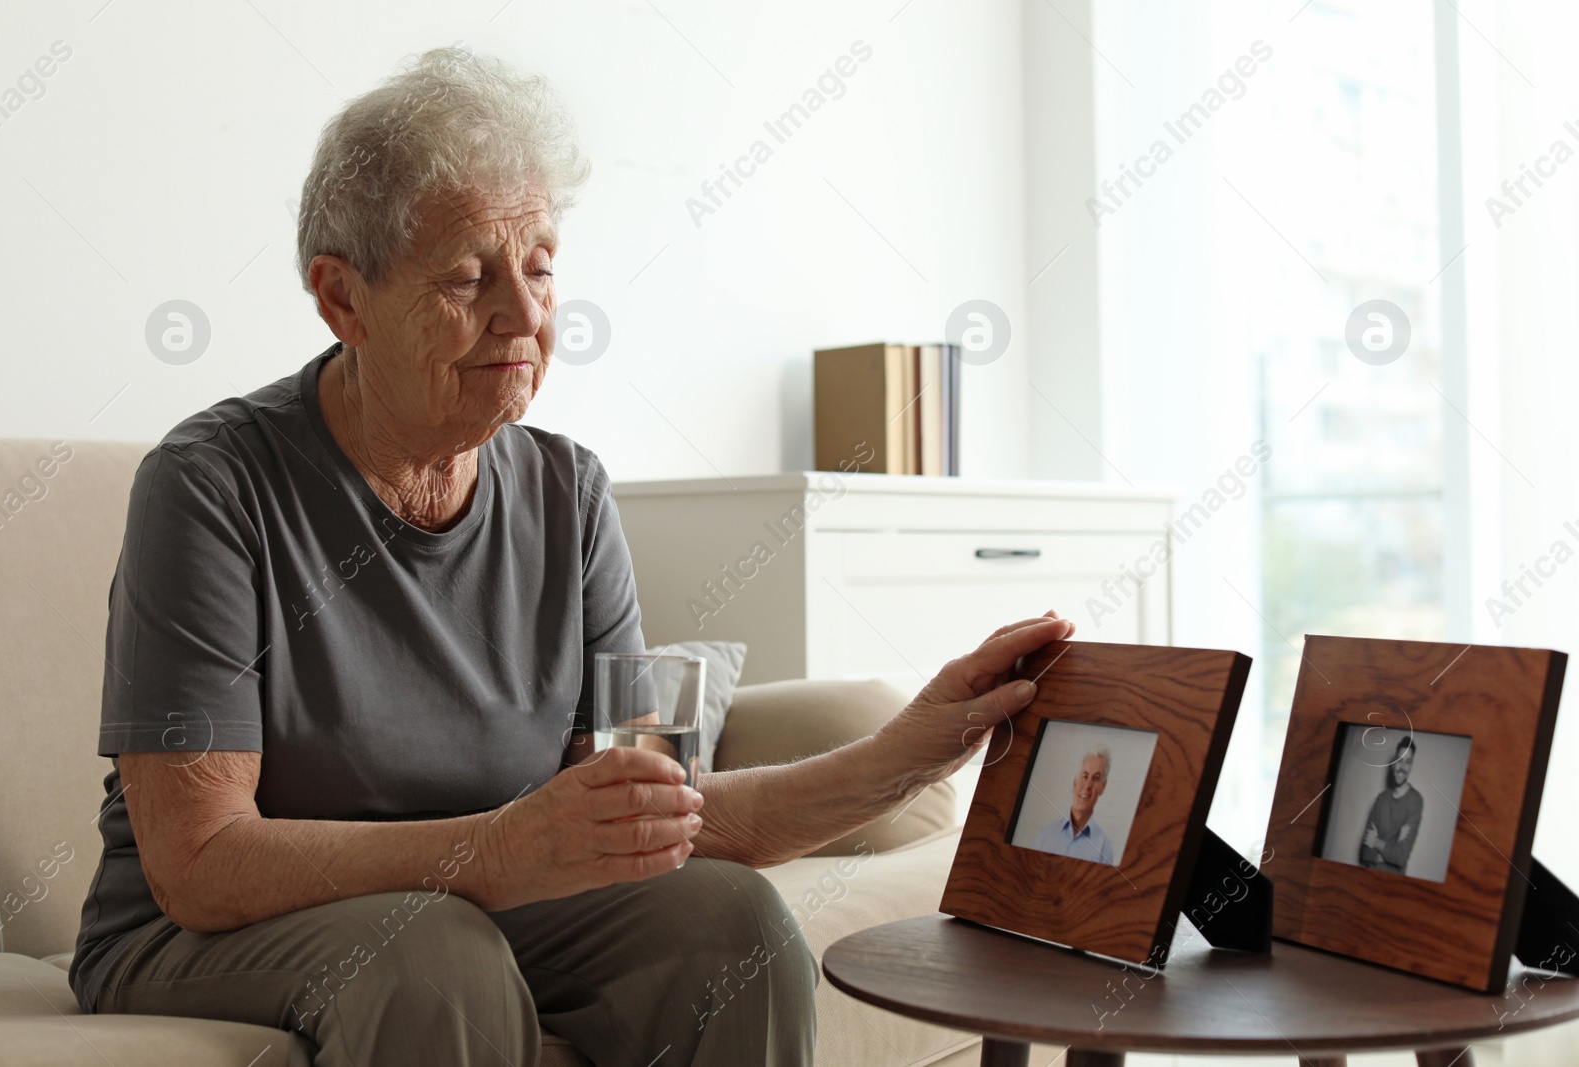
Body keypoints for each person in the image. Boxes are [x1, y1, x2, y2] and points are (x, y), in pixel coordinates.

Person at [64, 45, 1079, 1067]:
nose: (525, 315)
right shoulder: (211, 485)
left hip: (467, 914)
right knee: (433, 952)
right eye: (468, 277)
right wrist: (499, 849)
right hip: (199, 934)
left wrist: (908, 749)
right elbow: (198, 862)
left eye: (541, 267)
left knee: (730, 922)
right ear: (341, 300)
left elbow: (659, 813)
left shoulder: (571, 493)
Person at [1030, 745, 1117, 865]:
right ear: (1074, 783)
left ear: (1103, 786)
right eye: (1084, 776)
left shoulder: (1104, 848)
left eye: (1096, 778)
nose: (1087, 785)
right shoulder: (1045, 836)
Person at [1359, 734, 1424, 875]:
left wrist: (1375, 842)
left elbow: (1400, 856)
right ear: (1393, 763)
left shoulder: (1415, 801)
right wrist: (1389, 851)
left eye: (1408, 762)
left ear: (1411, 766)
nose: (1402, 767)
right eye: (1400, 760)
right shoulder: (1381, 799)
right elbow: (1365, 853)